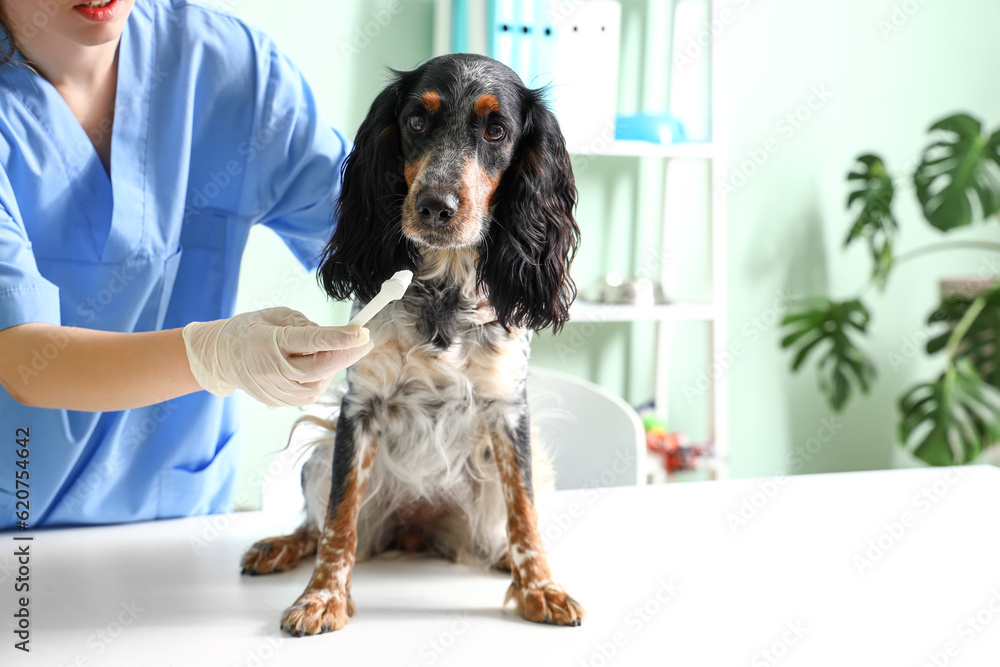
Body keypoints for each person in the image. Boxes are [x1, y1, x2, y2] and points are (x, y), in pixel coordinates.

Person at [0, 0, 373, 530]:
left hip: (181, 529)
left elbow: (372, 237)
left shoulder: (225, 68)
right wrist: (216, 355)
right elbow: (23, 359)